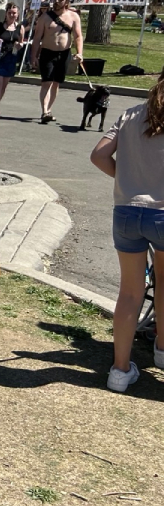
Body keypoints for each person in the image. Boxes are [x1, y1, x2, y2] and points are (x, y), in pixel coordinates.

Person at [89, 73, 164, 392]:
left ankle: (119, 370)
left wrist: (127, 179)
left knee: (130, 293)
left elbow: (98, 155)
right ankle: (161, 349)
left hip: (127, 211)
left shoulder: (130, 114)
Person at [31, 0, 84, 124]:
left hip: (64, 54)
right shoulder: (45, 17)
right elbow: (37, 38)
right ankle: (44, 111)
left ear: (66, 2)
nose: (56, 2)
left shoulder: (73, 16)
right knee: (46, 82)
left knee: (56, 83)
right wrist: (33, 56)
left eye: (60, 0)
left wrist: (80, 52)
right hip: (47, 53)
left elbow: (78, 36)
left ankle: (49, 110)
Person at [0, 4, 26, 119]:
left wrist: (19, 45)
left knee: (3, 86)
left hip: (11, 58)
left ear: (18, 14)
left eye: (14, 13)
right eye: (10, 13)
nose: (12, 15)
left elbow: (21, 42)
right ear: (6, 14)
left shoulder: (20, 27)